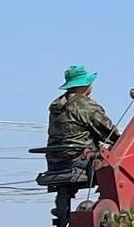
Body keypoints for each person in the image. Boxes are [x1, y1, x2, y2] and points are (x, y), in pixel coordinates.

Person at [43, 65, 119, 213]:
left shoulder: (57, 105)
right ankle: (107, 208)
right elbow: (109, 133)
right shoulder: (85, 105)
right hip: (78, 160)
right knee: (118, 169)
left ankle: (61, 209)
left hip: (54, 162)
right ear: (85, 85)